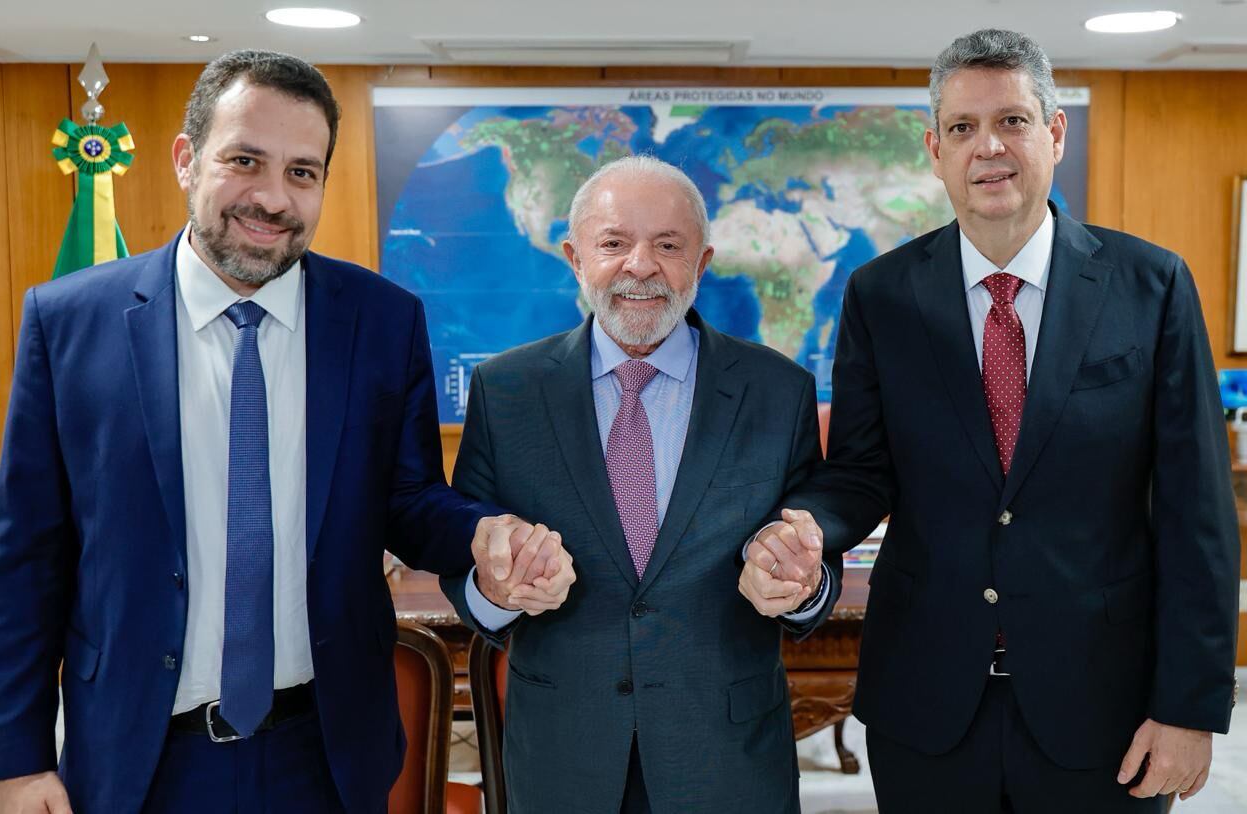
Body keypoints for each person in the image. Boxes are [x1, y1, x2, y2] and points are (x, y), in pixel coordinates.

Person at [0, 50, 572, 814]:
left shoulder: (381, 323)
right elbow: (28, 560)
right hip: (137, 758)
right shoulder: (68, 324)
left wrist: (485, 536)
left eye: (302, 171)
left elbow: (410, 501)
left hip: (324, 757)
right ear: (186, 161)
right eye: (245, 160)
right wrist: (19, 760)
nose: (272, 197)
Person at [810, 28, 1240, 812]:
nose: (990, 149)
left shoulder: (1152, 285)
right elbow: (860, 474)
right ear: (934, 148)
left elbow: (1197, 514)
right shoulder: (881, 297)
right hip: (927, 706)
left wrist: (1189, 707)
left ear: (1053, 131)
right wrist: (803, 529)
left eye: (1011, 120)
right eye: (965, 128)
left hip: (1104, 709)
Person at [440, 155, 845, 814]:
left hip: (727, 758)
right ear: (575, 257)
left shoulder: (778, 391)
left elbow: (810, 561)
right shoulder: (506, 391)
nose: (640, 265)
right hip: (562, 757)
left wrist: (801, 583)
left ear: (703, 262)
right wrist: (494, 588)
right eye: (613, 243)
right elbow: (469, 573)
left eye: (667, 245)